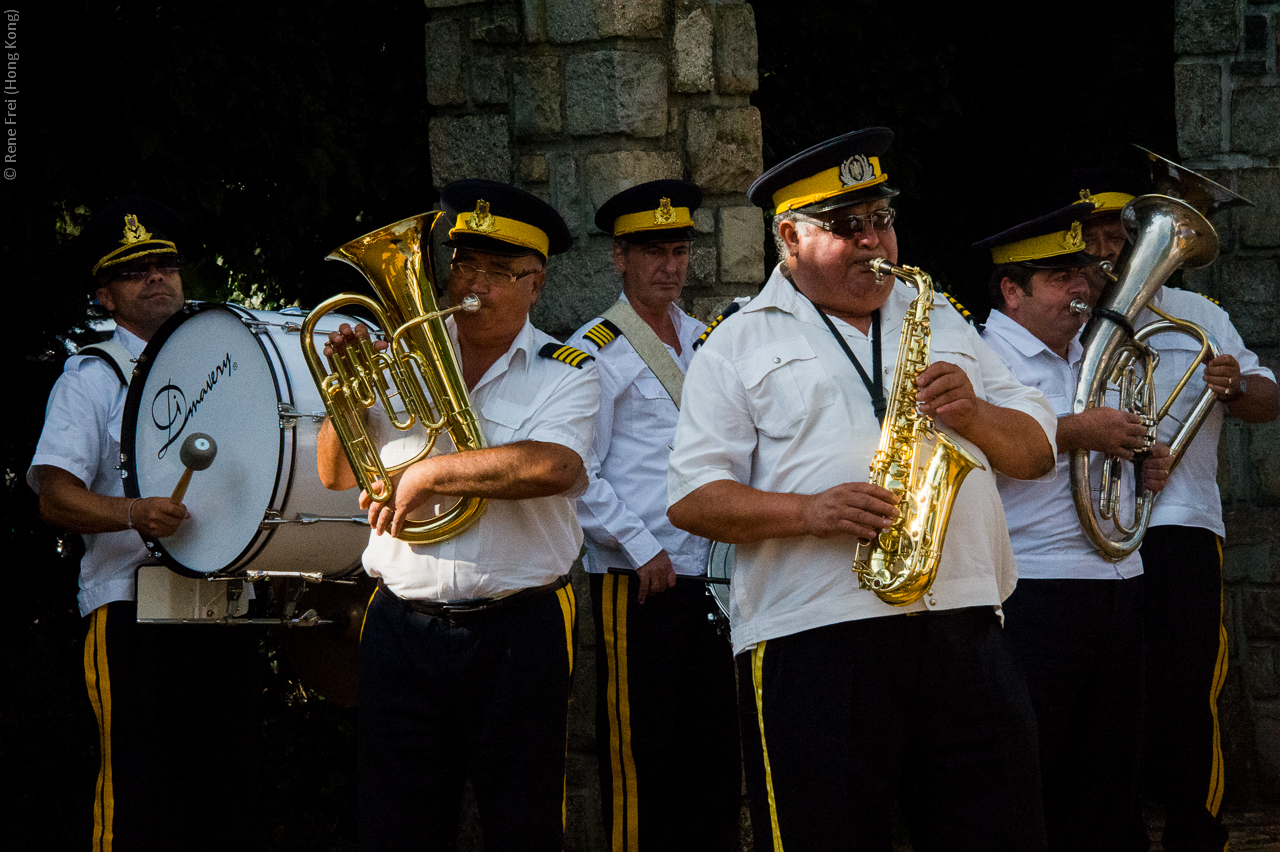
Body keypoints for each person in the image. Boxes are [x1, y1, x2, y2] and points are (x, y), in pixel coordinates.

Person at [666, 127, 1058, 851]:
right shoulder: (736, 343)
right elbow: (693, 499)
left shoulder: (940, 317)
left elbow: (1035, 454)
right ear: (790, 235)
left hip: (964, 624)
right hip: (815, 640)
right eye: (850, 228)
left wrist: (973, 410)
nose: (877, 243)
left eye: (882, 220)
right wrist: (809, 512)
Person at [316, 179, 599, 852]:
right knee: (395, 826)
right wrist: (348, 397)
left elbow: (556, 467)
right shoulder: (401, 356)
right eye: (464, 264)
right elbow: (335, 474)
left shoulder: (569, 371)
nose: (472, 283)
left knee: (523, 825)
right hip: (399, 627)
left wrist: (431, 471)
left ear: (536, 283)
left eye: (497, 272)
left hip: (518, 630)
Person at [28, 195, 259, 852]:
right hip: (132, 610)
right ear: (104, 296)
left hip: (221, 604)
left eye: (165, 265)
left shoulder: (232, 364)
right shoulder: (89, 378)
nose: (157, 278)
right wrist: (131, 512)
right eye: (135, 271)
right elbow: (54, 499)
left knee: (228, 801)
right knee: (138, 800)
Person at [1066, 168, 1279, 851]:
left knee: (1188, 690)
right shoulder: (1068, 324)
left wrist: (1233, 383)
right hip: (1089, 536)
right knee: (1110, 698)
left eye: (1112, 238)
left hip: (1181, 524)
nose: (1104, 252)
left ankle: (1195, 831)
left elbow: (1267, 399)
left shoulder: (1203, 315)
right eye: (1091, 241)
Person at [977, 202, 1175, 851]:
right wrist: (1076, 431)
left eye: (1082, 271)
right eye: (1059, 276)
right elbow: (983, 452)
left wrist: (1145, 464)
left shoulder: (1099, 355)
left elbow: (1113, 462)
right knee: (1030, 778)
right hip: (1035, 591)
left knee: (1112, 783)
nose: (1081, 287)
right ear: (1012, 289)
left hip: (1119, 583)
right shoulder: (983, 360)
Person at [565, 180, 740, 852]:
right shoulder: (596, 350)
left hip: (713, 577)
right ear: (620, 259)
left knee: (714, 753)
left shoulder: (708, 341)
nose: (670, 265)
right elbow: (578, 469)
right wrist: (640, 547)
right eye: (653, 252)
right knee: (640, 760)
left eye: (679, 249)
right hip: (641, 580)